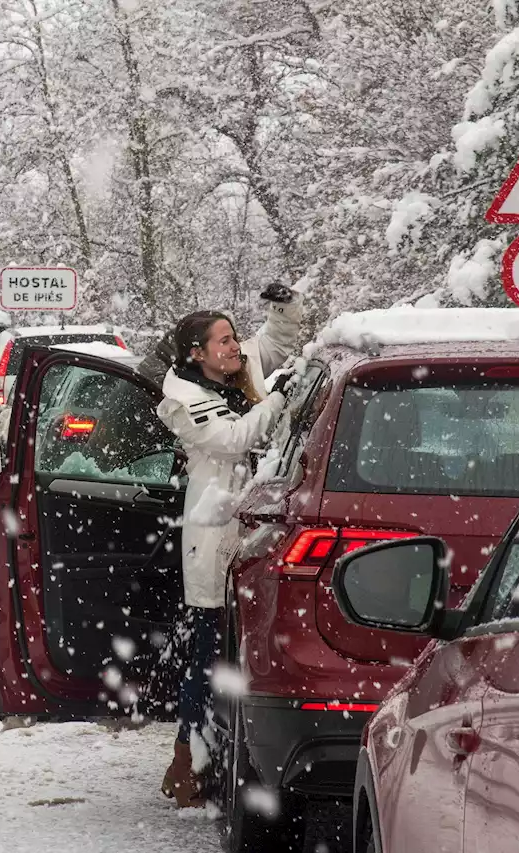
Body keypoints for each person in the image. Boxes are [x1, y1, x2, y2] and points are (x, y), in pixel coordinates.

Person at [154, 287, 304, 808]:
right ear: (197, 352)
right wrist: (283, 396)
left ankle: (216, 758)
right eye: (223, 340)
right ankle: (186, 762)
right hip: (213, 541)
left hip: (248, 535)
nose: (235, 346)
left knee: (232, 655)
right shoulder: (185, 402)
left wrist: (284, 306)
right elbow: (234, 439)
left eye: (235, 335)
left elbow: (279, 341)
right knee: (206, 656)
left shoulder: (238, 371)